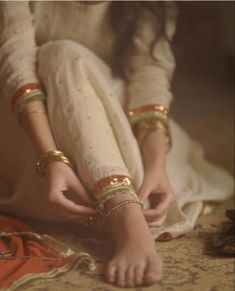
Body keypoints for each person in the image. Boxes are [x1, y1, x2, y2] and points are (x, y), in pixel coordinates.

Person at [0, 0, 233, 288]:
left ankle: (118, 191)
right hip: (28, 126)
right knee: (61, 51)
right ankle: (125, 214)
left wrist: (157, 165)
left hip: (102, 112)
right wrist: (51, 159)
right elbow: (17, 63)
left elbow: (149, 80)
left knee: (149, 176)